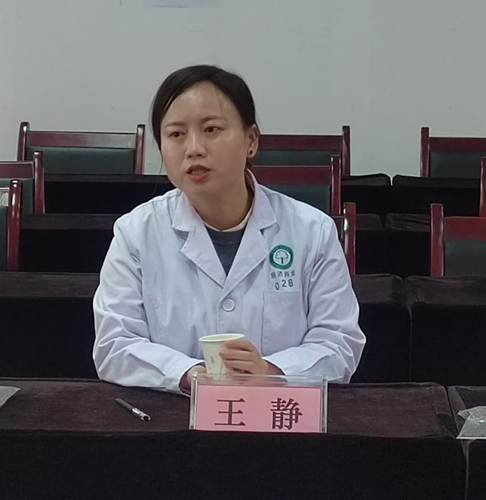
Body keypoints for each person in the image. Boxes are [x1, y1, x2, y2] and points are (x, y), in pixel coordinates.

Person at [93, 65, 365, 393]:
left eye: (212, 129)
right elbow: (114, 345)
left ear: (251, 140)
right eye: (176, 134)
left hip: (278, 412)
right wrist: (187, 373)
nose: (194, 148)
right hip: (177, 413)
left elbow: (339, 342)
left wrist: (274, 371)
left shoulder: (312, 231)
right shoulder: (136, 233)